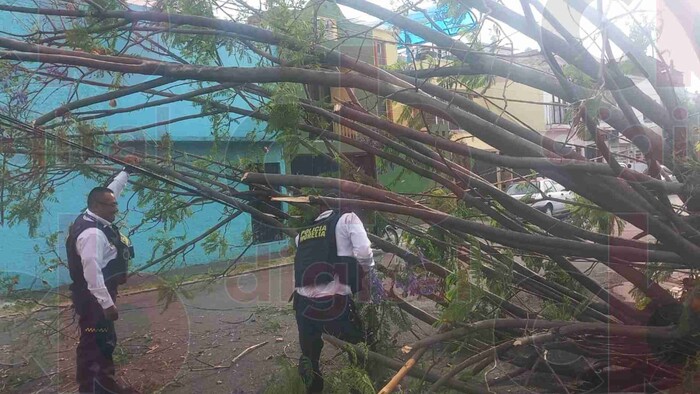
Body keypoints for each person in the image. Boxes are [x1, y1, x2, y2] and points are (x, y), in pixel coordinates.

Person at [65, 156, 140, 394]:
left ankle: (97, 387)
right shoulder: (92, 235)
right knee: (98, 342)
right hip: (95, 298)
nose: (116, 207)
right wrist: (107, 304)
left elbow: (111, 191)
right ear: (98, 207)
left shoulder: (92, 214)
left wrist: (126, 171)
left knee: (97, 342)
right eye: (112, 206)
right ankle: (98, 389)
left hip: (95, 295)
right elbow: (92, 273)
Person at [292, 201, 376, 394]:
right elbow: (363, 252)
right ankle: (359, 389)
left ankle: (313, 390)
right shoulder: (348, 219)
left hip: (303, 306)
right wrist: (368, 275)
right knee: (359, 348)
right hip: (334, 303)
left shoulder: (302, 234)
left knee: (309, 356)